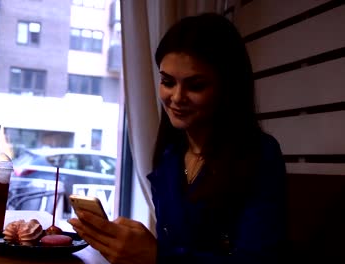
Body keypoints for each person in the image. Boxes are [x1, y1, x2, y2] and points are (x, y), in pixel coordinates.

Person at [68, 12, 287, 264]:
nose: (176, 97)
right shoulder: (170, 155)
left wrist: (155, 255)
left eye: (195, 86)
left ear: (227, 88)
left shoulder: (259, 154)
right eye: (167, 82)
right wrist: (138, 241)